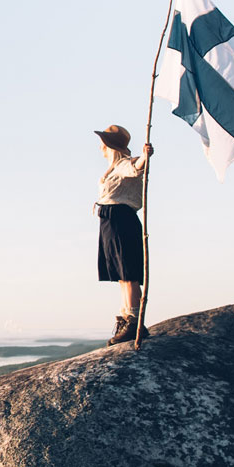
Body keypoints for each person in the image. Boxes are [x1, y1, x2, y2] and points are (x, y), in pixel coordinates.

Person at [94, 124, 152, 344]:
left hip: (121, 220)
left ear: (110, 146)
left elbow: (136, 167)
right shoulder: (111, 168)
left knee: (128, 274)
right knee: (121, 275)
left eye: (103, 142)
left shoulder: (124, 164)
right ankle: (127, 316)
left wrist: (144, 157)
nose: (100, 146)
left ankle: (135, 322)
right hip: (110, 221)